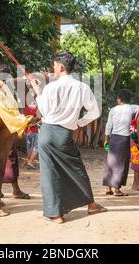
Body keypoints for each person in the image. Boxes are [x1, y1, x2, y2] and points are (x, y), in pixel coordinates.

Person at [30, 51, 107, 224]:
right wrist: (78, 123)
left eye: (55, 65)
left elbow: (44, 111)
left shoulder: (50, 88)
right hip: (65, 134)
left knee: (49, 174)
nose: (53, 68)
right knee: (77, 168)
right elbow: (94, 112)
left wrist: (37, 91)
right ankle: (91, 204)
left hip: (47, 133)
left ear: (62, 67)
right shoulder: (82, 87)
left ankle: (56, 214)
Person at [103, 89, 139, 196]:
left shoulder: (113, 110)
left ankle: (108, 188)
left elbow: (108, 126)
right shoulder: (132, 107)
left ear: (119, 99)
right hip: (125, 139)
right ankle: (117, 190)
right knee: (121, 164)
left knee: (111, 162)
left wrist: (106, 139)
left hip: (114, 138)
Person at [24, 98, 40, 170]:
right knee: (37, 147)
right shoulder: (37, 109)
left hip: (28, 131)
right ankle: (30, 162)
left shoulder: (27, 109)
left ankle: (28, 161)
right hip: (35, 131)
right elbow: (39, 118)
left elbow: (25, 119)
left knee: (29, 147)